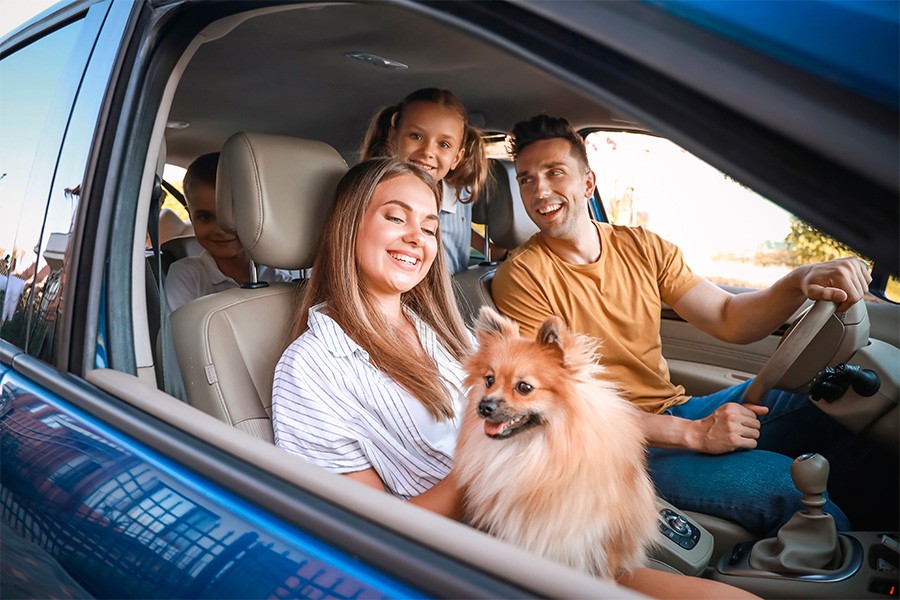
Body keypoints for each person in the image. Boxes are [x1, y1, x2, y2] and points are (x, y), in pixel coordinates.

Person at [271, 157, 756, 599]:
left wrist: (671, 436)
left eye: (430, 226)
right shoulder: (312, 368)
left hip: (556, 535)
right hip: (477, 565)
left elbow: (563, 401)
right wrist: (488, 468)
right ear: (348, 224)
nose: (417, 238)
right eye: (396, 218)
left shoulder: (448, 333)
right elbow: (362, 536)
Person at [491, 114, 895, 537]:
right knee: (788, 485)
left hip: (674, 411)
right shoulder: (522, 277)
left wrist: (797, 282)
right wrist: (693, 434)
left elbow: (727, 316)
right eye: (526, 180)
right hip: (614, 450)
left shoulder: (641, 247)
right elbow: (559, 406)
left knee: (836, 399)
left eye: (555, 173)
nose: (540, 191)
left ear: (588, 183)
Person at [360, 88, 505, 274]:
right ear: (393, 138)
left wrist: (493, 251)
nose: (428, 151)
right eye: (416, 136)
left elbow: (456, 231)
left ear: (456, 158)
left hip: (448, 293)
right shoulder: (374, 193)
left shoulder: (457, 193)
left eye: (443, 145)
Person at [165, 153, 294, 311]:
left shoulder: (278, 274)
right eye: (205, 217)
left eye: (234, 215)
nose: (221, 229)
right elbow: (181, 333)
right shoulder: (186, 275)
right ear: (191, 218)